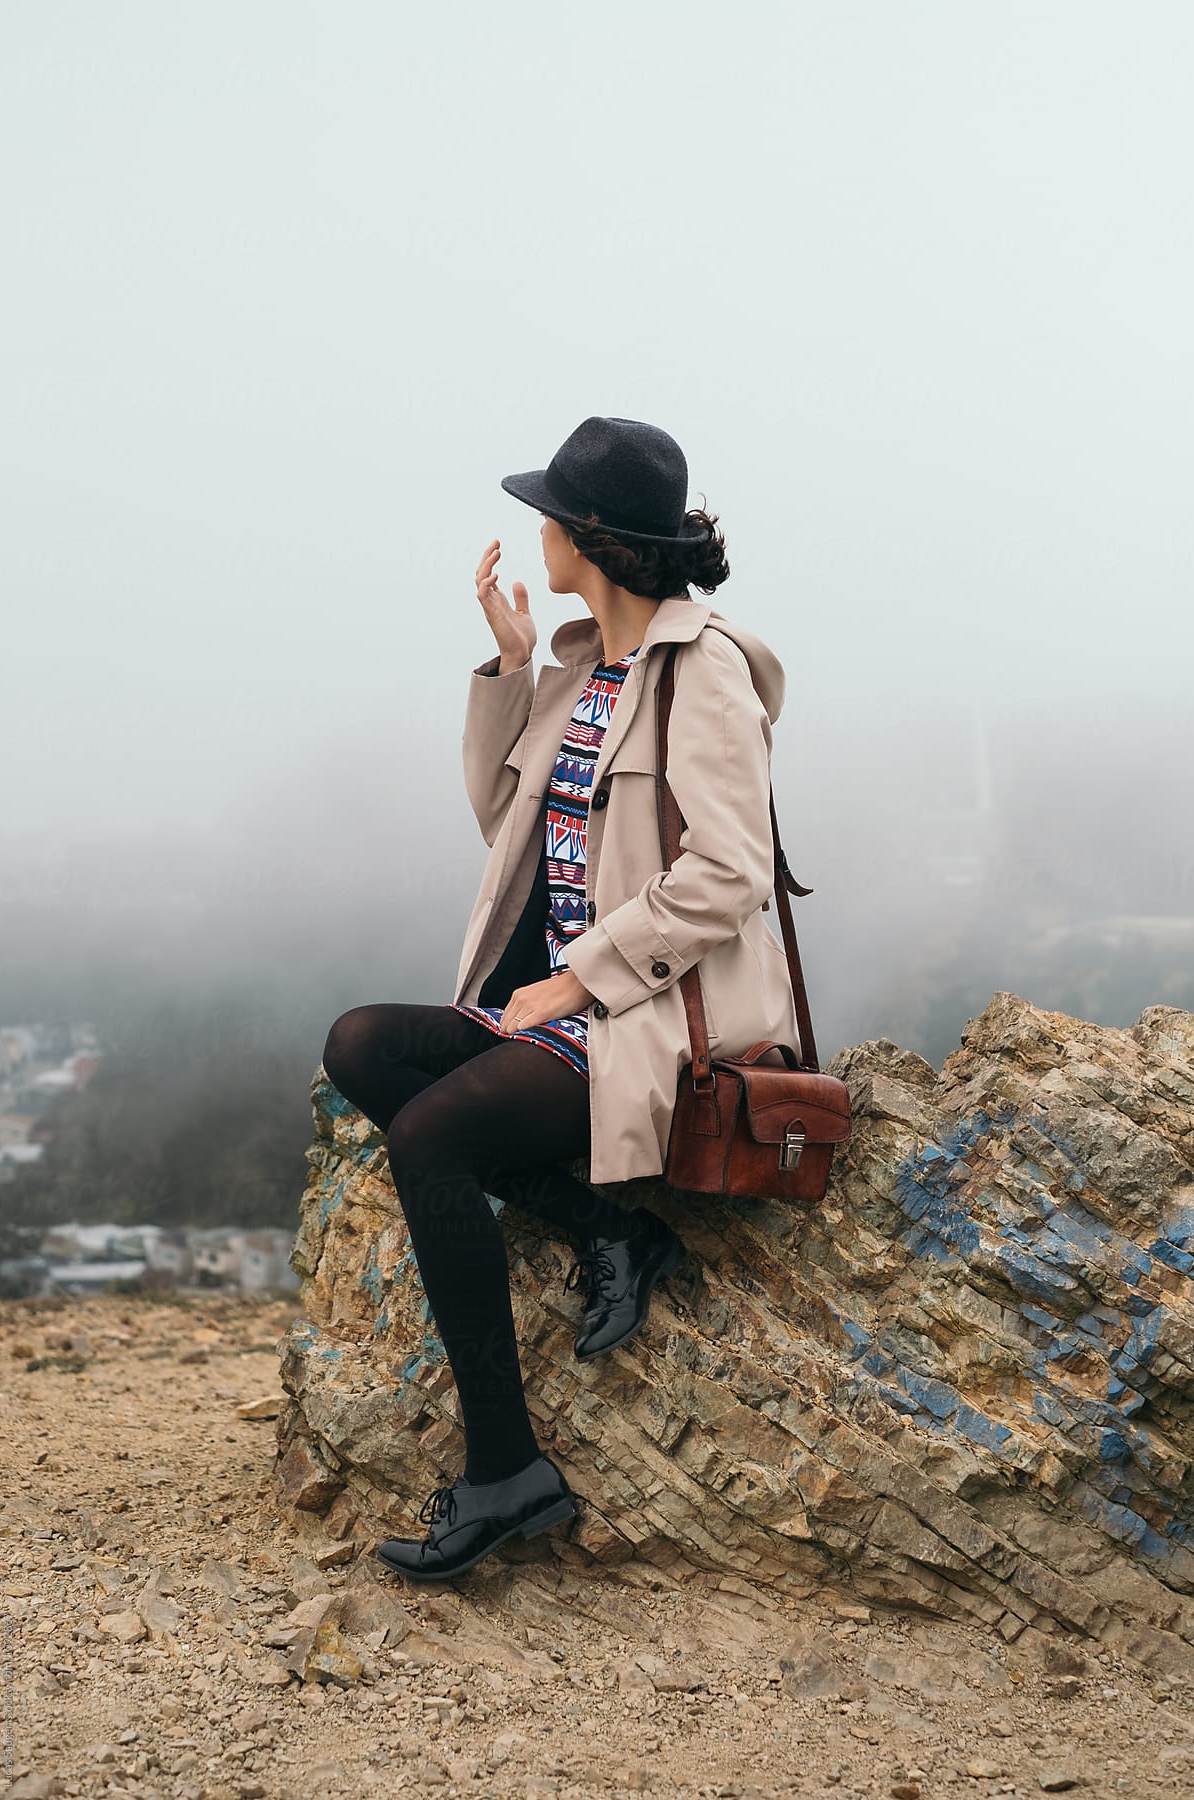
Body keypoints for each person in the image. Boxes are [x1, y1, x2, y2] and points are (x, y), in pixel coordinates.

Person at [320, 416, 797, 1581]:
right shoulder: (589, 666)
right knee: (361, 1046)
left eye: (550, 511)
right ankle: (606, 1229)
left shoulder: (706, 670)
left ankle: (505, 1472)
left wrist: (578, 979)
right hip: (568, 1003)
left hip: (642, 1018)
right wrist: (512, 664)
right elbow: (507, 826)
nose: (534, 525)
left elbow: (729, 873)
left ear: (592, 537)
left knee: (431, 1137)